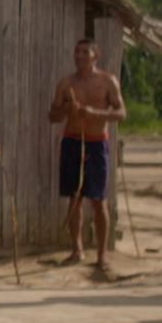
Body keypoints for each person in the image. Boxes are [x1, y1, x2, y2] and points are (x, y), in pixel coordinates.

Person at [47, 38, 127, 273]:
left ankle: (102, 254)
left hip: (96, 144)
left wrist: (94, 112)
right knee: (75, 199)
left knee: (99, 201)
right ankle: (77, 249)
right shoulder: (65, 84)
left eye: (85, 51)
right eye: (76, 51)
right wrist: (65, 110)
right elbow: (53, 116)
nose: (79, 55)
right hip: (72, 141)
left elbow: (121, 113)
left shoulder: (107, 81)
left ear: (96, 55)